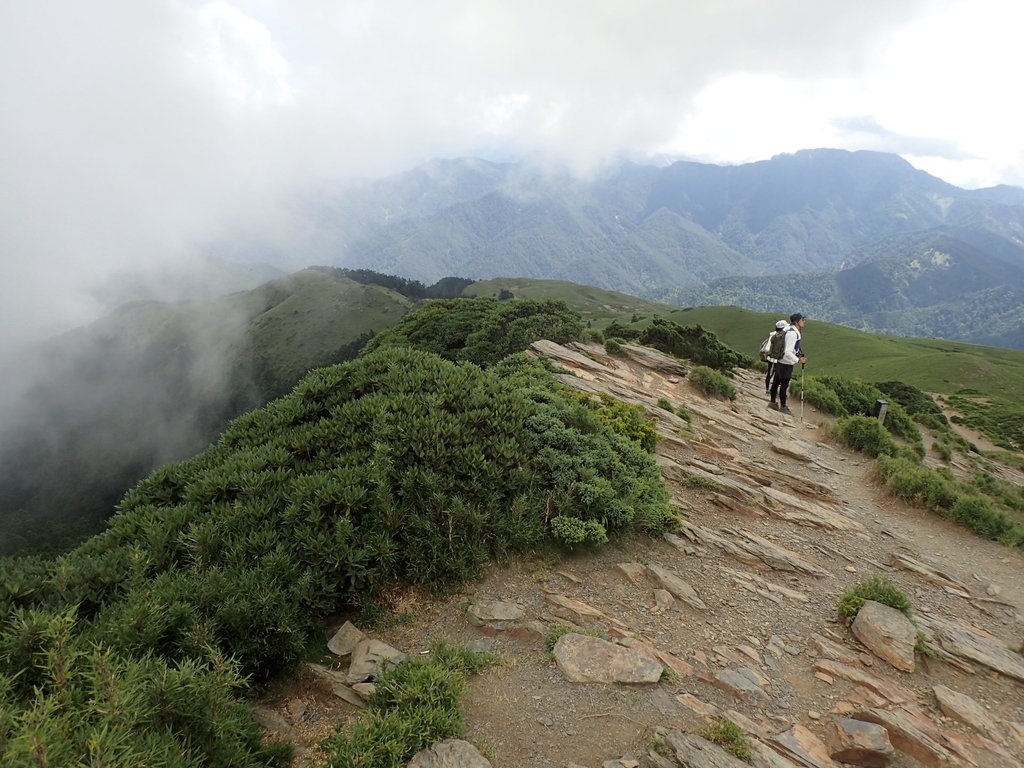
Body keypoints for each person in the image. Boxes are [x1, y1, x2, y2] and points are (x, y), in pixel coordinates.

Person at [769, 313, 807, 414]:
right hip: (786, 363)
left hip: (780, 360)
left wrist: (798, 355)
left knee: (776, 382)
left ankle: (772, 402)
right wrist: (798, 360)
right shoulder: (793, 333)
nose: (804, 321)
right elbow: (788, 352)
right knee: (784, 385)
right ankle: (783, 406)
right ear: (797, 321)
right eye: (802, 319)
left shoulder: (787, 329)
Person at [764, 319, 787, 393]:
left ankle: (767, 389)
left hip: (770, 357)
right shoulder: (784, 335)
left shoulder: (772, 334)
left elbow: (767, 347)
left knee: (769, 373)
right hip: (779, 358)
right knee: (778, 374)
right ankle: (774, 390)